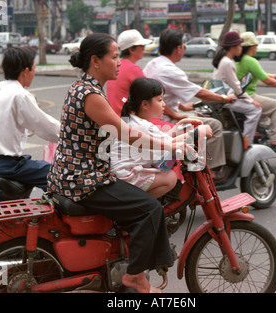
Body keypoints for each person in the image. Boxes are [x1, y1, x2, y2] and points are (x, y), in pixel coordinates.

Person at [47, 33, 189, 293]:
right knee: (150, 210)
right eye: (114, 57)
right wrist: (169, 146)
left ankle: (124, 259)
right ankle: (135, 277)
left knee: (141, 202)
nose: (119, 63)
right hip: (84, 179)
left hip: (72, 175)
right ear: (95, 61)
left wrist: (168, 138)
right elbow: (126, 133)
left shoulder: (84, 88)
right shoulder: (91, 95)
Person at [143, 28, 237, 183]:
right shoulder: (171, 70)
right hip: (165, 120)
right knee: (214, 125)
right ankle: (210, 172)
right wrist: (224, 98)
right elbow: (199, 92)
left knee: (197, 118)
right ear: (178, 48)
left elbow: (161, 96)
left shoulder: (152, 64)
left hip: (154, 116)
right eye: (183, 45)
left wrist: (183, 107)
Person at [0, 47, 60, 191]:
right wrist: (71, 136)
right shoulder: (20, 95)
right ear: (26, 71)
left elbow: (12, 123)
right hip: (7, 166)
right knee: (59, 175)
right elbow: (45, 126)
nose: (34, 72)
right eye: (34, 68)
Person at [110, 77, 211, 199]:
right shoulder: (143, 126)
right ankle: (142, 205)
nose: (164, 105)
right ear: (145, 104)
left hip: (120, 175)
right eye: (160, 100)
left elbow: (161, 141)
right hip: (128, 177)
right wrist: (199, 131)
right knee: (170, 178)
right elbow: (171, 144)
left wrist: (177, 128)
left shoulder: (134, 121)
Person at [235, 31, 276, 151]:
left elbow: (258, 74)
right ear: (252, 47)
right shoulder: (250, 60)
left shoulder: (240, 60)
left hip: (238, 96)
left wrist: (271, 75)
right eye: (256, 45)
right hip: (248, 96)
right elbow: (268, 82)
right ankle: (275, 139)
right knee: (275, 105)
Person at [212, 31, 262, 145]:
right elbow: (237, 87)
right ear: (232, 47)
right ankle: (247, 141)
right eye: (239, 45)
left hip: (222, 96)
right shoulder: (228, 62)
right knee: (256, 109)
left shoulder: (223, 60)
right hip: (225, 99)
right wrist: (251, 100)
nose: (241, 48)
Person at [106, 29, 152, 116]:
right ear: (132, 50)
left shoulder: (116, 66)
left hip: (114, 117)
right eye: (141, 45)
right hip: (126, 119)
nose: (144, 48)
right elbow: (150, 97)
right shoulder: (134, 69)